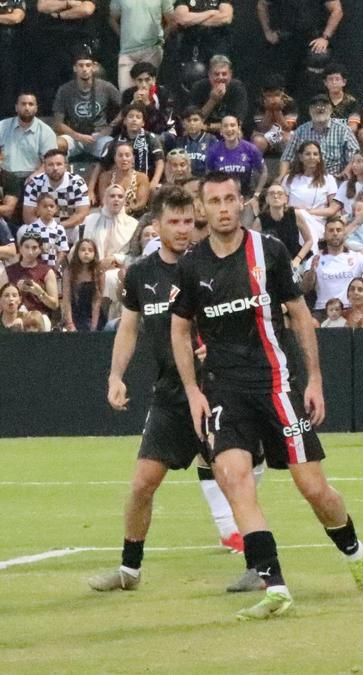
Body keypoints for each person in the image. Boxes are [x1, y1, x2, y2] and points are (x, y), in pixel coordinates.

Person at [169, 172, 363, 619]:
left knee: (314, 488)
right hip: (224, 389)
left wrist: (315, 380)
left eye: (231, 198)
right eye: (215, 201)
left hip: (276, 385)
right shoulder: (192, 266)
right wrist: (192, 390)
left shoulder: (269, 251)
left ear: (243, 203)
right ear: (202, 209)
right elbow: (180, 326)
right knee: (234, 479)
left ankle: (355, 553)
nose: (224, 207)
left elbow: (301, 317)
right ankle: (275, 586)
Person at [86, 188, 256, 593]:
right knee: (142, 484)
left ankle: (259, 565)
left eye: (189, 222)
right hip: (169, 394)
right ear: (156, 225)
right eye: (174, 222)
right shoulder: (142, 274)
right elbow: (129, 328)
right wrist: (115, 376)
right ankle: (129, 570)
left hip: (214, 390)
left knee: (233, 479)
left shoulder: (210, 266)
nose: (183, 230)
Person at [255, 0, 343, 95]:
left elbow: (337, 10)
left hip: (312, 38)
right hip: (285, 38)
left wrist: (325, 37)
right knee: (277, 79)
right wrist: (267, 32)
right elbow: (262, 5)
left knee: (319, 57)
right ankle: (282, 104)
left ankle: (318, 102)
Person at [29, 0, 97, 108]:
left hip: (77, 42)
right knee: (50, 85)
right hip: (51, 43)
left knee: (77, 83)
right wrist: (68, 3)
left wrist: (59, 15)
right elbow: (42, 6)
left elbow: (86, 9)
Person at [300, 216, 363, 313]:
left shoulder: (359, 258)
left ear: (344, 233)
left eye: (338, 230)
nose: (335, 233)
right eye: (331, 230)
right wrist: (312, 271)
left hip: (350, 309)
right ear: (325, 234)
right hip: (323, 309)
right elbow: (304, 288)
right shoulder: (314, 259)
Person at [54, 52, 121, 160]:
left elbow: (126, 108)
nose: (84, 69)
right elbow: (58, 123)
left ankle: (104, 176)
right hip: (75, 136)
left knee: (116, 149)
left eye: (88, 65)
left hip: (99, 136)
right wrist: (78, 136)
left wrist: (111, 126)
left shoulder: (106, 87)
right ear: (75, 68)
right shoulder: (64, 90)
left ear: (94, 67)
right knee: (56, 145)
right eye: (81, 65)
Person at [280, 94, 358, 179]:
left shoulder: (343, 130)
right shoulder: (300, 131)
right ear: (309, 111)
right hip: (306, 179)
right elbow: (287, 158)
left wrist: (345, 173)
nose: (320, 108)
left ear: (331, 110)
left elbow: (355, 155)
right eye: (315, 105)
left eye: (324, 105)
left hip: (336, 179)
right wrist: (281, 177)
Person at [109, 0, 172, 91]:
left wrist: (161, 39)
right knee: (125, 95)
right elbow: (112, 18)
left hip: (151, 50)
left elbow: (172, 19)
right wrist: (122, 35)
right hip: (126, 52)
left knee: (148, 94)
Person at [22, 149, 88, 236]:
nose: (55, 168)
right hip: (41, 228)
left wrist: (57, 227)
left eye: (59, 164)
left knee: (81, 230)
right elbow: (28, 216)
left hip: (68, 227)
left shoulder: (77, 182)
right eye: (50, 165)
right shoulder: (34, 184)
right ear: (44, 167)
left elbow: (81, 214)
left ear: (66, 166)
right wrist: (46, 228)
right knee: (22, 231)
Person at [205, 115, 267, 201]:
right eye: (225, 126)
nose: (229, 129)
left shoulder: (251, 149)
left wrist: (256, 194)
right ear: (221, 130)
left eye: (232, 125)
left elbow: (264, 172)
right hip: (222, 198)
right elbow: (208, 175)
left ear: (238, 128)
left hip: (245, 197)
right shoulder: (213, 151)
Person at [253, 183, 312, 268]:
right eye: (272, 194)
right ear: (267, 199)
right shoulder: (259, 221)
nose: (276, 196)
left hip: (295, 260)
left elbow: (309, 240)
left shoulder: (295, 215)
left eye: (280, 194)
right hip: (272, 264)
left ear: (286, 199)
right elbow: (254, 247)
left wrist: (297, 260)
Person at [0, 93, 59, 177]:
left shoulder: (46, 132)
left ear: (36, 108)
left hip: (36, 177)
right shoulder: (2, 127)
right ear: (16, 107)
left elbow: (50, 161)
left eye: (30, 104)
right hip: (5, 176)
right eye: (23, 104)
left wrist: (34, 178)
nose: (27, 108)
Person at [190, 55, 251, 135]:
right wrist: (212, 100)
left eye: (224, 74)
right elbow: (194, 121)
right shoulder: (199, 87)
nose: (220, 77)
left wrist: (208, 127)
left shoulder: (237, 88)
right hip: (203, 133)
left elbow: (238, 123)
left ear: (230, 74)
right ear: (209, 75)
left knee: (238, 133)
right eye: (216, 74)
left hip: (227, 131)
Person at [4, 231, 59, 316]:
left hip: (39, 318)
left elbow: (54, 305)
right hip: (15, 318)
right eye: (26, 247)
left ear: (40, 250)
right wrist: (15, 291)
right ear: (20, 248)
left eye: (34, 248)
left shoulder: (47, 271)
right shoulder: (8, 271)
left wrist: (39, 292)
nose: (30, 252)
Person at [172, 0, 233, 75]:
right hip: (191, 49)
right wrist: (211, 13)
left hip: (217, 49)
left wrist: (194, 20)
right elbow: (182, 19)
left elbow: (225, 18)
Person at [250, 75, 298, 156]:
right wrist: (268, 110)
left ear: (282, 92)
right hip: (265, 134)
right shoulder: (258, 103)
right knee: (257, 141)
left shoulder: (290, 103)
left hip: (283, 133)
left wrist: (277, 111)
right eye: (269, 96)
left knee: (289, 139)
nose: (273, 99)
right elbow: (262, 129)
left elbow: (287, 128)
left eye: (276, 95)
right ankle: (257, 167)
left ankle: (288, 167)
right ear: (264, 94)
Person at [167, 106, 219, 176]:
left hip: (206, 181)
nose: (192, 123)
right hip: (185, 181)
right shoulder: (179, 142)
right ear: (183, 123)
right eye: (188, 120)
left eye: (195, 120)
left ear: (202, 121)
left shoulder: (212, 140)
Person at [0, 0, 24, 116]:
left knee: (8, 91)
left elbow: (16, 18)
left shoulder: (16, 1)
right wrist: (6, 18)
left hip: (10, 53)